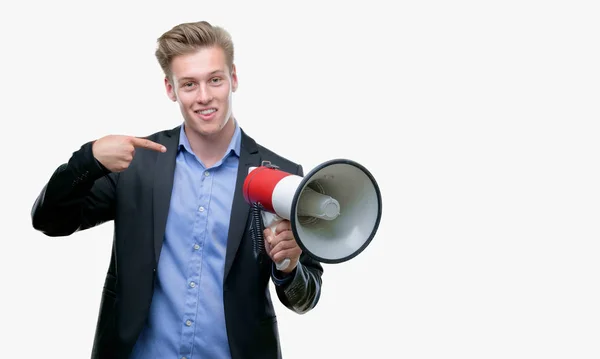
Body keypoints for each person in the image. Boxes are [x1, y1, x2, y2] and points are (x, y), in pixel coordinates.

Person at [31, 20, 324, 359]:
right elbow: (49, 220)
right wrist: (90, 159)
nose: (204, 97)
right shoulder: (134, 164)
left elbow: (307, 298)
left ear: (234, 79)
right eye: (189, 84)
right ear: (170, 89)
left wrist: (288, 269)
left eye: (215, 80)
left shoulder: (282, 175)